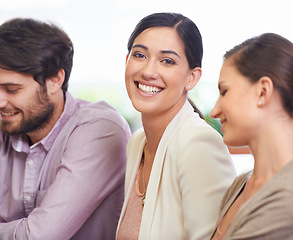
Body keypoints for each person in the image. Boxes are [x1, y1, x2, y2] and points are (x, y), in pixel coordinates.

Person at [0, 18, 131, 239]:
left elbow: (40, 236)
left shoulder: (99, 130)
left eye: (12, 89)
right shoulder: (7, 123)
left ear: (55, 80)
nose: (0, 101)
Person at [116, 12, 236, 240]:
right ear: (126, 61)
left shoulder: (198, 144)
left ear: (192, 77)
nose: (148, 71)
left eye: (167, 61)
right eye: (139, 55)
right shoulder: (137, 142)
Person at [209, 33, 293, 239]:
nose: (214, 111)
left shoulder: (286, 199)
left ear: (263, 92)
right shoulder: (241, 184)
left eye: (224, 91)